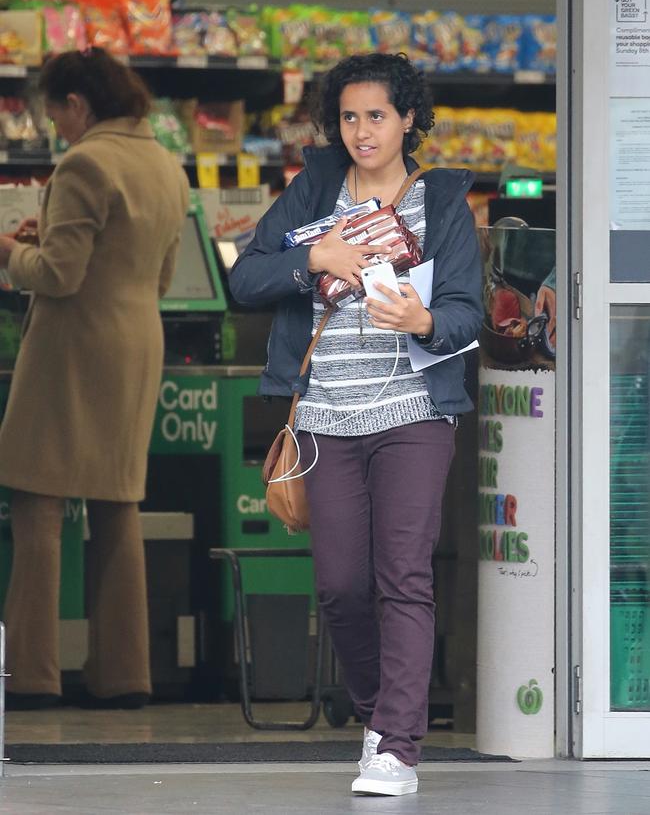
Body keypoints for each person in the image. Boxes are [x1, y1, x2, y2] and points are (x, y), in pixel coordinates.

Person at [230, 52, 481, 796]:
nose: (362, 131)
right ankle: (378, 718)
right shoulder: (313, 189)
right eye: (349, 117)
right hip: (325, 418)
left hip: (412, 412)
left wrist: (424, 316)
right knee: (340, 584)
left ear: (408, 118)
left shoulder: (440, 201)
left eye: (377, 115)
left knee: (402, 574)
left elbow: (466, 311)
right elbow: (245, 277)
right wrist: (315, 256)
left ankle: (398, 747)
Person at [0, 47, 190, 709]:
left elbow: (58, 275)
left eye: (55, 113)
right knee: (116, 506)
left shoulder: (85, 161)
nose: (54, 128)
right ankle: (123, 675)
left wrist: (10, 251)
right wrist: (47, 237)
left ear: (76, 104)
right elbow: (158, 274)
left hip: (73, 348)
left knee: (39, 503)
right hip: (139, 341)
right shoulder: (166, 164)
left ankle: (31, 675)